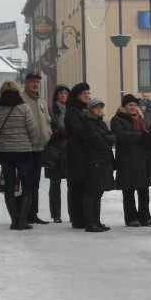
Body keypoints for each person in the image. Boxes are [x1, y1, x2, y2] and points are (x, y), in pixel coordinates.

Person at [0, 81, 40, 230]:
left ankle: (14, 220)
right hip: (24, 152)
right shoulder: (23, 108)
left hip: (6, 152)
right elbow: (33, 131)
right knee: (27, 185)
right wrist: (30, 141)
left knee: (9, 186)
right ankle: (22, 221)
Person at [110, 94, 151, 227]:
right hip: (126, 160)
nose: (133, 107)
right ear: (124, 106)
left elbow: (146, 134)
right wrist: (141, 136)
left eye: (135, 105)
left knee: (143, 190)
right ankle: (131, 218)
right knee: (128, 191)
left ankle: (145, 217)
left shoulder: (141, 119)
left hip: (142, 159)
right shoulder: (117, 119)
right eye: (130, 105)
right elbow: (120, 135)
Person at [79, 97, 116, 232]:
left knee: (98, 193)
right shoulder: (88, 123)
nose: (99, 109)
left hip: (102, 161)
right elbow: (99, 142)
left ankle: (97, 221)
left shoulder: (100, 122)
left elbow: (112, 137)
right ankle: (90, 223)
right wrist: (108, 139)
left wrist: (108, 139)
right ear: (90, 110)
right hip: (93, 162)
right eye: (96, 107)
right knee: (91, 193)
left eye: (101, 107)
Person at [21, 72, 52, 225]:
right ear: (26, 83)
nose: (35, 84)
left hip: (40, 147)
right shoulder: (21, 100)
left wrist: (48, 134)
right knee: (26, 182)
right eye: (32, 81)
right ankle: (24, 214)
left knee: (35, 183)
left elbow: (47, 121)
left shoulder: (42, 102)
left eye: (38, 82)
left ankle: (33, 213)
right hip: (26, 148)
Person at [64, 82, 91, 229]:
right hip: (76, 154)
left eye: (88, 93)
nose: (87, 95)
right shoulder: (72, 112)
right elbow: (78, 131)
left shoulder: (83, 110)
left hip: (84, 154)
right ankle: (77, 218)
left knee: (83, 186)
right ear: (77, 96)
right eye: (84, 93)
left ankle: (84, 216)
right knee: (76, 187)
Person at [45, 85, 70, 223]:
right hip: (55, 150)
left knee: (72, 184)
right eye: (61, 93)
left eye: (66, 93)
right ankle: (56, 214)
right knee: (55, 185)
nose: (63, 95)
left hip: (70, 150)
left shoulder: (73, 110)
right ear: (56, 95)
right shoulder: (50, 110)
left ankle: (73, 212)